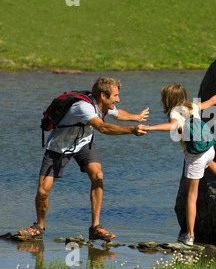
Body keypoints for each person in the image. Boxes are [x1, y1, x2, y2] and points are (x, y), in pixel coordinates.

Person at [18, 77, 151, 241]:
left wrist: (136, 117)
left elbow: (117, 113)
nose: (118, 99)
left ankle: (96, 227)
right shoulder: (82, 107)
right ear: (103, 95)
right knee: (43, 191)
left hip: (83, 144)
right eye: (115, 96)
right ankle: (39, 227)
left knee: (98, 176)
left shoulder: (102, 105)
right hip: (59, 148)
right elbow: (102, 127)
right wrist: (131, 130)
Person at [148, 83, 216, 246]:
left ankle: (189, 235)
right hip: (209, 149)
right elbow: (212, 101)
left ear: (168, 99)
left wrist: (150, 127)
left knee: (191, 196)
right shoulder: (192, 106)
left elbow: (173, 125)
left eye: (163, 98)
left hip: (195, 156)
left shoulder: (176, 113)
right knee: (210, 163)